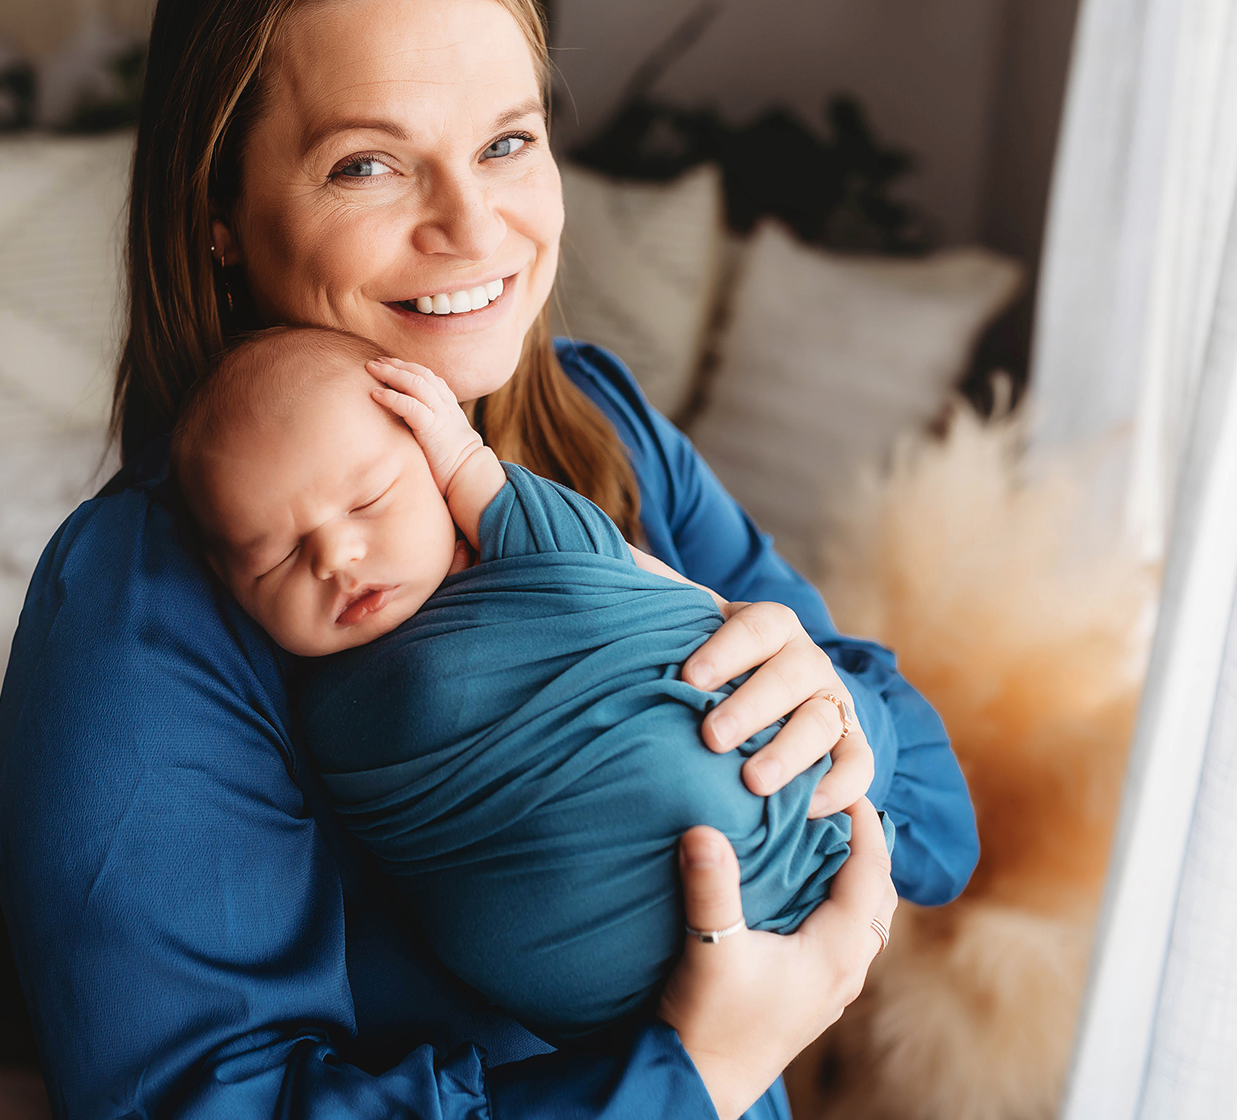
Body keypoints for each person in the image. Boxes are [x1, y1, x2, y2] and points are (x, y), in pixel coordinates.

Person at [0, 0, 978, 1120]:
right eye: (368, 165)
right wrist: (691, 1068)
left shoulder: (606, 435)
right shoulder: (145, 607)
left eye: (507, 142)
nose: (474, 227)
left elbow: (943, 826)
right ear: (218, 212)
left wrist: (837, 719)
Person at [170, 326, 892, 1038]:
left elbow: (937, 801)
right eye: (274, 556)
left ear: (434, 463)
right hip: (607, 1031)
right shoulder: (260, 684)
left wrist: (467, 463)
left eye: (369, 500)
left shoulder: (529, 535)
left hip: (779, 844)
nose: (334, 555)